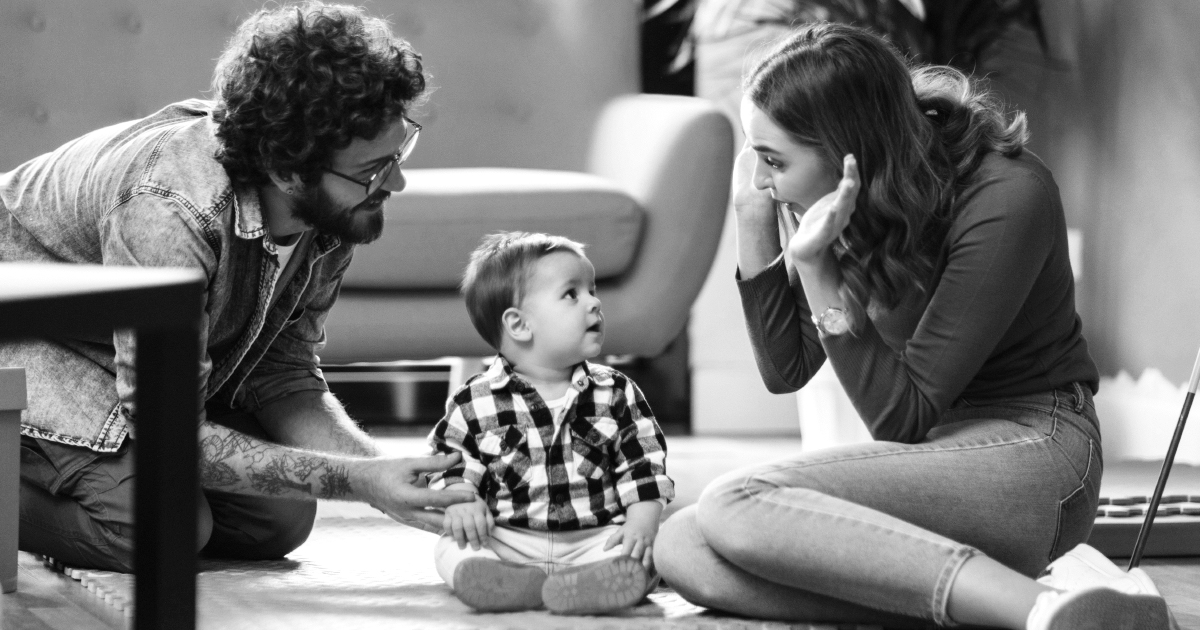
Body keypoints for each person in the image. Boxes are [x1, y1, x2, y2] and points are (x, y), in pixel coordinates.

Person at [652, 22, 1177, 630]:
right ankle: (1019, 610)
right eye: (754, 155)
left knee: (736, 502)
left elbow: (903, 417)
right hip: (936, 455)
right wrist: (752, 217)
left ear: (848, 151)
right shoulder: (849, 195)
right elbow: (785, 367)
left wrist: (817, 264)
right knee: (684, 545)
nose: (759, 179)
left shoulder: (1007, 194)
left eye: (771, 161)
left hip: (1041, 451)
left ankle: (1046, 613)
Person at [0, 1, 475, 573]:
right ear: (285, 170)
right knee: (163, 527)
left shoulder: (332, 205)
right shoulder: (170, 209)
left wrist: (385, 472)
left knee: (279, 518)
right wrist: (357, 481)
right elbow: (168, 432)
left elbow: (282, 370)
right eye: (373, 170)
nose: (395, 181)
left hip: (112, 344)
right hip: (27, 335)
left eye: (398, 152)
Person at [425, 232, 674, 614]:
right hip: (507, 537)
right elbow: (449, 459)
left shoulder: (616, 391)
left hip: (595, 538)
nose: (594, 302)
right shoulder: (473, 399)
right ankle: (502, 582)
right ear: (519, 325)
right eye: (572, 294)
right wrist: (461, 502)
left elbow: (644, 462)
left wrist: (643, 521)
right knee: (452, 546)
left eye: (592, 290)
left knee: (647, 552)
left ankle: (596, 585)